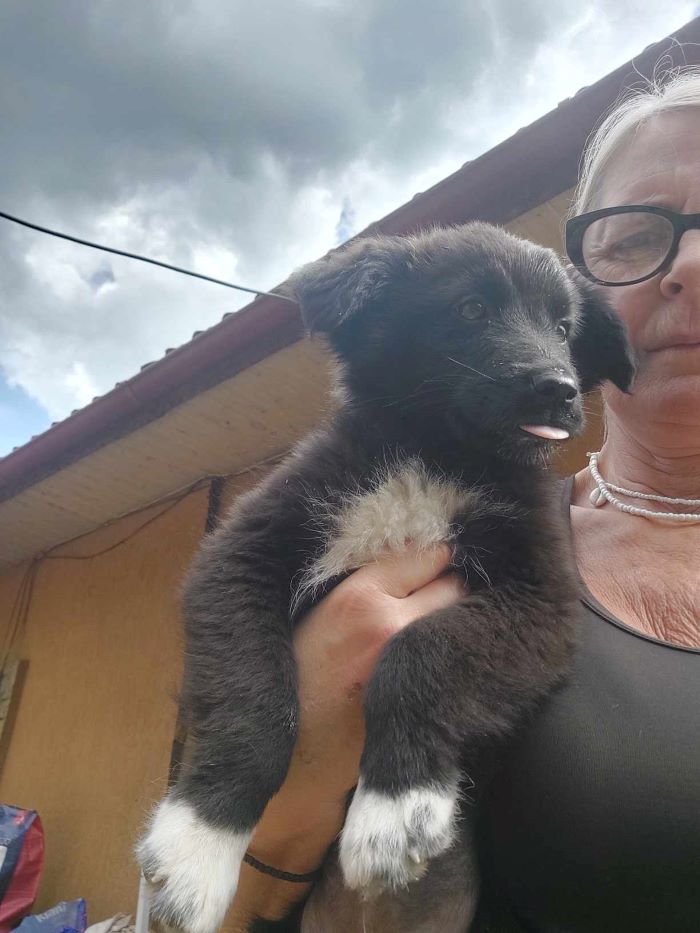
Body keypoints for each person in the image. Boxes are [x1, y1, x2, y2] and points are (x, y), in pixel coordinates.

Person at [223, 70, 700, 933]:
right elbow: (208, 907)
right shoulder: (442, 547)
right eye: (637, 237)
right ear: (579, 306)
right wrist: (306, 778)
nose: (691, 268)